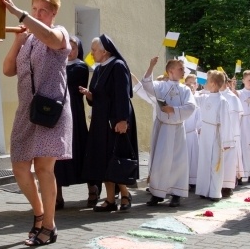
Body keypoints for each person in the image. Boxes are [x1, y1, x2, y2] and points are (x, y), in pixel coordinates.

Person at [1, 0, 71, 246]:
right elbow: (8, 69)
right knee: (19, 165)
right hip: (26, 112)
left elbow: (52, 39)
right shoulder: (28, 38)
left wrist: (19, 15)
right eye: (34, 9)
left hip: (50, 112)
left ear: (53, 13)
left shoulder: (61, 33)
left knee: (44, 168)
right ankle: (40, 214)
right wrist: (18, 40)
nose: (37, 14)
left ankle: (49, 226)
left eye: (43, 10)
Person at [80, 35, 138, 212]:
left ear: (105, 51)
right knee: (104, 160)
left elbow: (122, 95)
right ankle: (110, 200)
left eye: (94, 50)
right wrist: (89, 95)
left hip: (115, 121)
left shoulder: (118, 66)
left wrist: (122, 120)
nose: (91, 52)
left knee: (116, 158)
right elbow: (98, 96)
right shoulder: (98, 70)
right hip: (100, 122)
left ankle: (125, 194)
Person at [142, 57, 197, 207]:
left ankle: (176, 194)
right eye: (180, 68)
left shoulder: (185, 89)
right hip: (163, 129)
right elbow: (146, 85)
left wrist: (174, 109)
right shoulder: (161, 86)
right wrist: (151, 66)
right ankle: (157, 193)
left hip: (178, 129)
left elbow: (191, 107)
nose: (183, 71)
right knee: (160, 161)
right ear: (170, 70)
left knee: (177, 162)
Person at [54, 36, 92, 209]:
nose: (71, 50)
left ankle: (92, 189)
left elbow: (67, 83)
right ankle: (57, 196)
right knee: (56, 153)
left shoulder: (80, 66)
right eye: (68, 46)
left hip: (74, 112)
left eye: (74, 47)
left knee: (80, 148)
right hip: (57, 112)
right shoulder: (57, 62)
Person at [194, 71, 234, 200]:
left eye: (207, 80)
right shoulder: (204, 97)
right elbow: (192, 99)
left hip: (216, 134)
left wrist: (227, 142)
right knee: (204, 160)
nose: (204, 83)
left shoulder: (222, 101)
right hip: (205, 132)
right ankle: (203, 189)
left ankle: (214, 192)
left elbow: (227, 122)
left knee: (215, 162)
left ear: (213, 83)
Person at [221, 75, 244, 195]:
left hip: (230, 134)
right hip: (218, 133)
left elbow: (235, 119)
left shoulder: (231, 98)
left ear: (225, 83)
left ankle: (227, 185)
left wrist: (231, 135)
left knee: (229, 160)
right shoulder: (213, 95)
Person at [184, 74, 201, 190]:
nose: (191, 86)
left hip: (193, 133)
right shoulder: (182, 97)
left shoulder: (200, 98)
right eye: (188, 83)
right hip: (182, 133)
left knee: (194, 158)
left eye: (193, 83)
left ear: (197, 85)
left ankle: (193, 181)